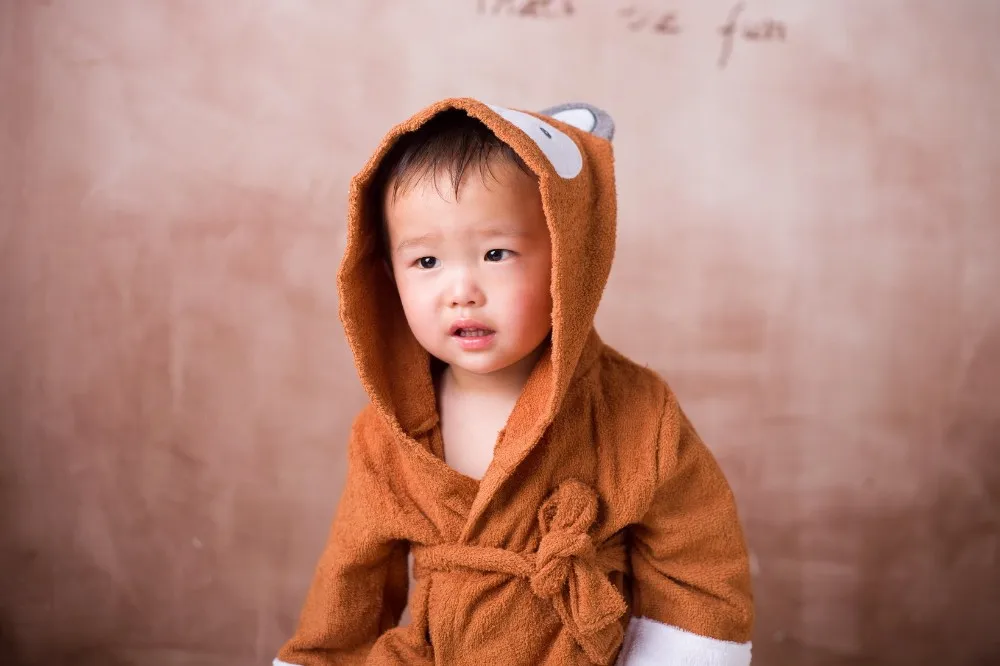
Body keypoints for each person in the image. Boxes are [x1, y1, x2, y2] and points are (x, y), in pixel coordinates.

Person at [273, 98, 754, 665]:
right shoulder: (387, 434)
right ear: (388, 277)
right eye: (426, 262)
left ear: (565, 261)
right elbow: (350, 584)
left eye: (496, 253)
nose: (462, 291)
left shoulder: (635, 411)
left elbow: (697, 564)